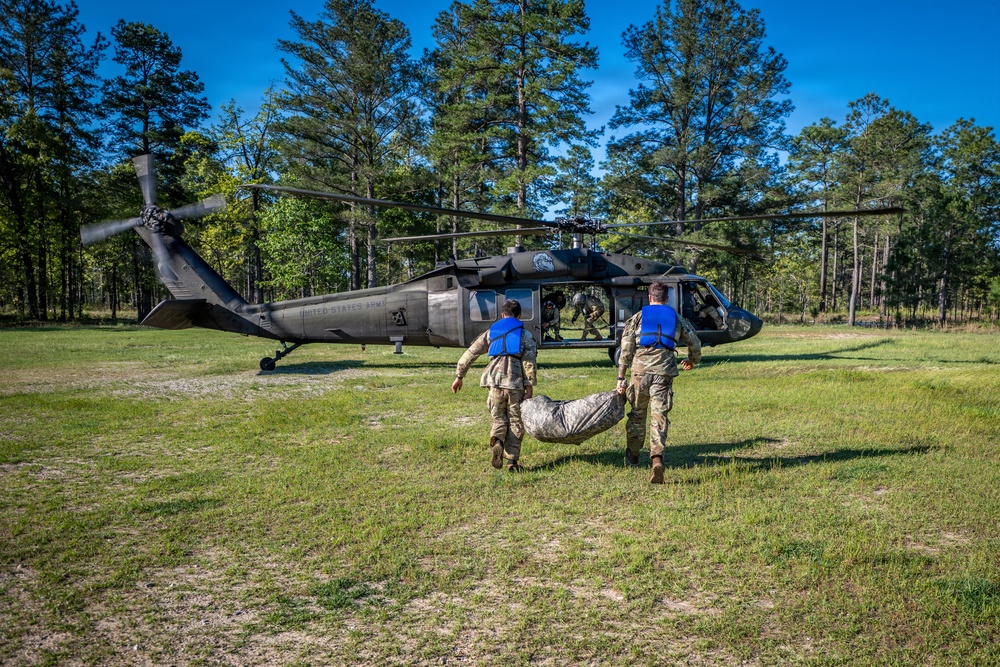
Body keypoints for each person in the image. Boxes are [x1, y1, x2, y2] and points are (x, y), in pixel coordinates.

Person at [615, 281, 701, 484]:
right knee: (659, 416)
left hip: (639, 373)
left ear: (650, 297)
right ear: (667, 298)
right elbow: (695, 343)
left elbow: (626, 349)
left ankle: (633, 455)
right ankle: (656, 459)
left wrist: (621, 377)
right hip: (664, 373)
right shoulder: (676, 318)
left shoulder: (637, 318)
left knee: (637, 414)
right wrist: (692, 360)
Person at [452, 299, 537, 472]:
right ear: (519, 315)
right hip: (515, 383)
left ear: (502, 315)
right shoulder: (525, 335)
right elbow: (529, 362)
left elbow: (471, 353)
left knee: (499, 417)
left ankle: (497, 440)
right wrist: (529, 386)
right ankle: (512, 463)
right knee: (515, 421)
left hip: (494, 382)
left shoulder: (491, 333)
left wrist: (459, 376)